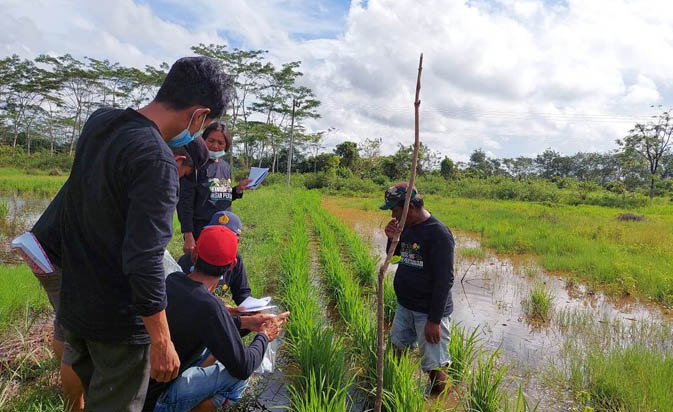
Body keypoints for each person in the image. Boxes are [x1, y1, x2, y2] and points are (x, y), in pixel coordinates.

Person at [58, 56, 230, 411]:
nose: (198, 132)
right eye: (204, 125)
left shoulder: (101, 121)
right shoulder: (157, 160)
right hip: (117, 322)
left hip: (75, 300)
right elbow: (144, 258)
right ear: (199, 115)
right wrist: (162, 339)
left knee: (91, 394)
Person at [27, 136, 209, 412]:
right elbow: (144, 253)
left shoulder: (121, 154)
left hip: (51, 246)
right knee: (78, 338)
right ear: (179, 161)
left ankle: (79, 397)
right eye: (184, 175)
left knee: (71, 331)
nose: (180, 180)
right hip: (62, 256)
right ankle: (77, 405)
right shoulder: (152, 172)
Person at [143, 225, 289, 412]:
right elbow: (243, 367)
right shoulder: (210, 306)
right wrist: (264, 335)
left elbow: (204, 325)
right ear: (232, 265)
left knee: (219, 348)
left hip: (144, 387)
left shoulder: (173, 280)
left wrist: (245, 322)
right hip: (158, 399)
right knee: (238, 379)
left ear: (194, 254)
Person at [381, 183, 455, 394]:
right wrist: (391, 238)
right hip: (405, 306)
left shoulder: (439, 234)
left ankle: (441, 403)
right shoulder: (407, 227)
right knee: (396, 352)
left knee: (434, 369)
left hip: (427, 312)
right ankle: (395, 391)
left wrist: (433, 321)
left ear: (409, 207)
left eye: (395, 209)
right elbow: (395, 255)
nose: (393, 214)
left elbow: (445, 280)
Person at [177, 122, 252, 256]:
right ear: (203, 140)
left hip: (224, 227)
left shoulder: (225, 166)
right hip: (201, 229)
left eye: (220, 143)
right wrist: (188, 235)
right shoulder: (194, 166)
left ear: (226, 145)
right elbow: (184, 203)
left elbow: (221, 195)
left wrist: (237, 190)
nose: (215, 146)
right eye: (211, 141)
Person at [177, 211, 251, 311]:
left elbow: (242, 293)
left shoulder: (236, 259)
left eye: (227, 236)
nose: (219, 240)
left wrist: (251, 311)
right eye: (214, 233)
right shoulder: (187, 260)